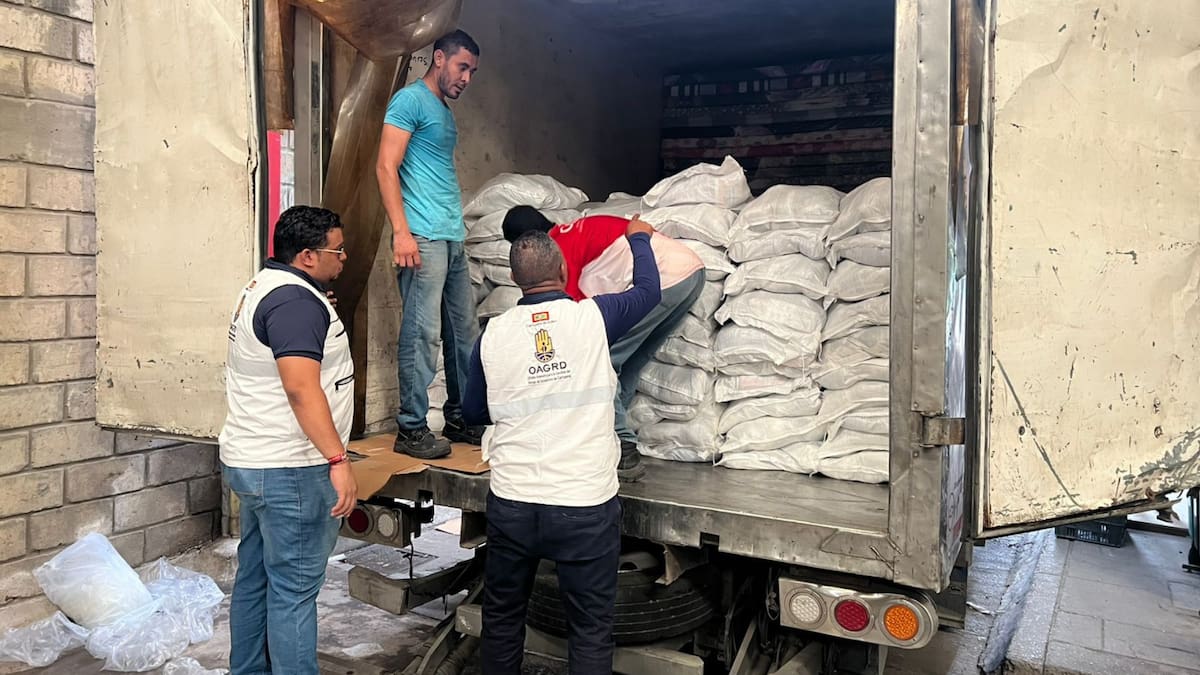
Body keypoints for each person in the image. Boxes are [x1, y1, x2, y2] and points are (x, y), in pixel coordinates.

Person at [462, 218, 662, 675]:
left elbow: (473, 412)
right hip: (583, 505)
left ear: (515, 280)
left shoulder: (492, 335)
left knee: (502, 618)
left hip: (513, 503)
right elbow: (650, 292)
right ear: (564, 271)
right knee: (589, 629)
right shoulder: (594, 317)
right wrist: (638, 238)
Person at [218, 205, 358, 675]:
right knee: (293, 592)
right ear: (307, 256)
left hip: (255, 460)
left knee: (257, 579)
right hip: (290, 469)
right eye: (337, 250)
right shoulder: (295, 305)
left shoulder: (268, 287)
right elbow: (300, 388)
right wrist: (338, 459)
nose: (344, 257)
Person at [501, 207, 705, 480]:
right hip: (691, 273)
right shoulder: (578, 230)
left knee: (601, 359)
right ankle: (613, 430)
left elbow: (567, 317)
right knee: (632, 359)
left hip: (662, 279)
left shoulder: (556, 254)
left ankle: (622, 446)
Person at [376, 29, 482, 459]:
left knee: (464, 333)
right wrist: (401, 232)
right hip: (421, 235)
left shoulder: (442, 110)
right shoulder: (409, 101)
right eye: (462, 67)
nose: (466, 78)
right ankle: (411, 428)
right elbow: (386, 167)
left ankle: (461, 416)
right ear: (439, 58)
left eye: (472, 72)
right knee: (423, 334)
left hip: (451, 235)